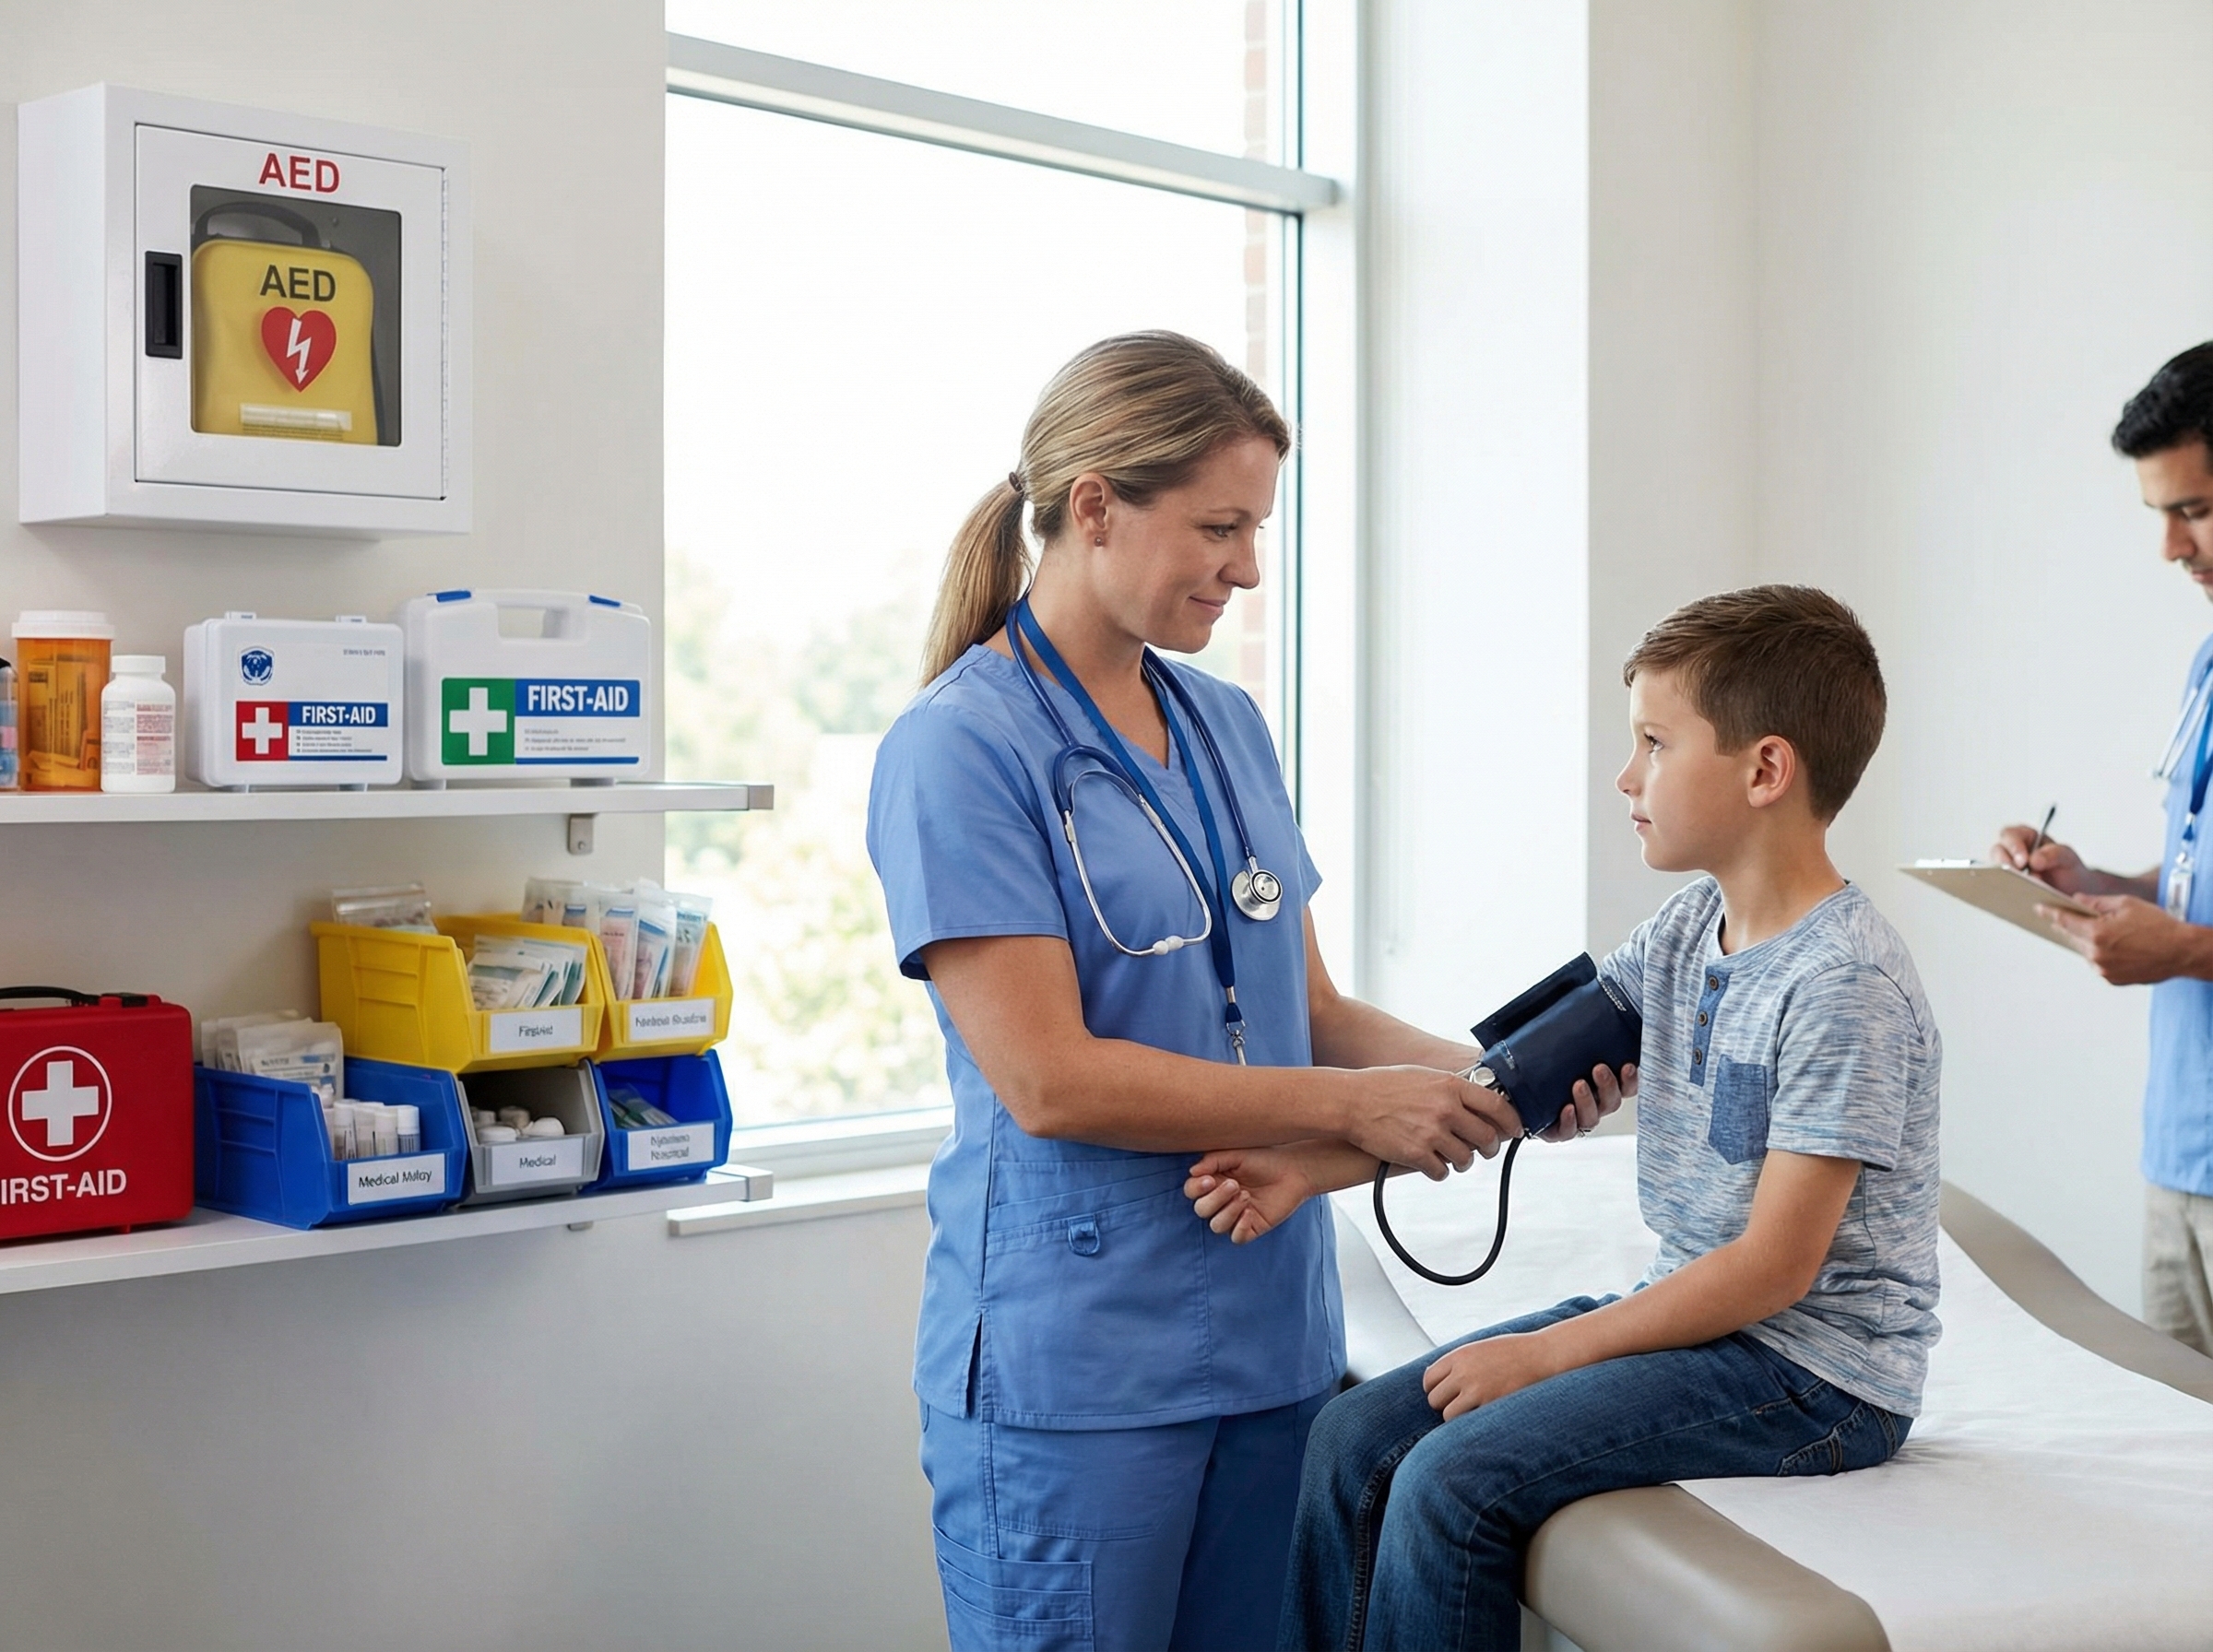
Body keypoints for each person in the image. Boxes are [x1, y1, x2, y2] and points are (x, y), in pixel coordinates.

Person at [864, 331, 1627, 1652]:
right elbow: (1048, 1079)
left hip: (1272, 1346)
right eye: (1220, 527)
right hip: (1080, 1368)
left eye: (1258, 527)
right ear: (1095, 505)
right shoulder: (959, 749)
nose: (1249, 566)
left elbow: (1309, 1009)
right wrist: (1356, 1110)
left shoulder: (1227, 726)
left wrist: (1489, 1083)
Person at [1187, 586, 1941, 1652]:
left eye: (1653, 743)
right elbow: (1513, 1081)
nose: (1626, 777)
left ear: (1765, 770)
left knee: (1453, 1480)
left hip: (1814, 1374)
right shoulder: (1690, 925)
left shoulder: (1843, 983)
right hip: (1712, 1323)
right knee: (1352, 1436)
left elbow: (1774, 1269)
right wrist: (1310, 1168)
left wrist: (1544, 1359)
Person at [1992, 342, 2213, 1357]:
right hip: (2182, 1154)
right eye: (2160, 514)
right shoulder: (2208, 659)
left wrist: (2188, 952)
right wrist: (2094, 883)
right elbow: (2190, 879)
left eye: (2198, 509)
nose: (2171, 546)